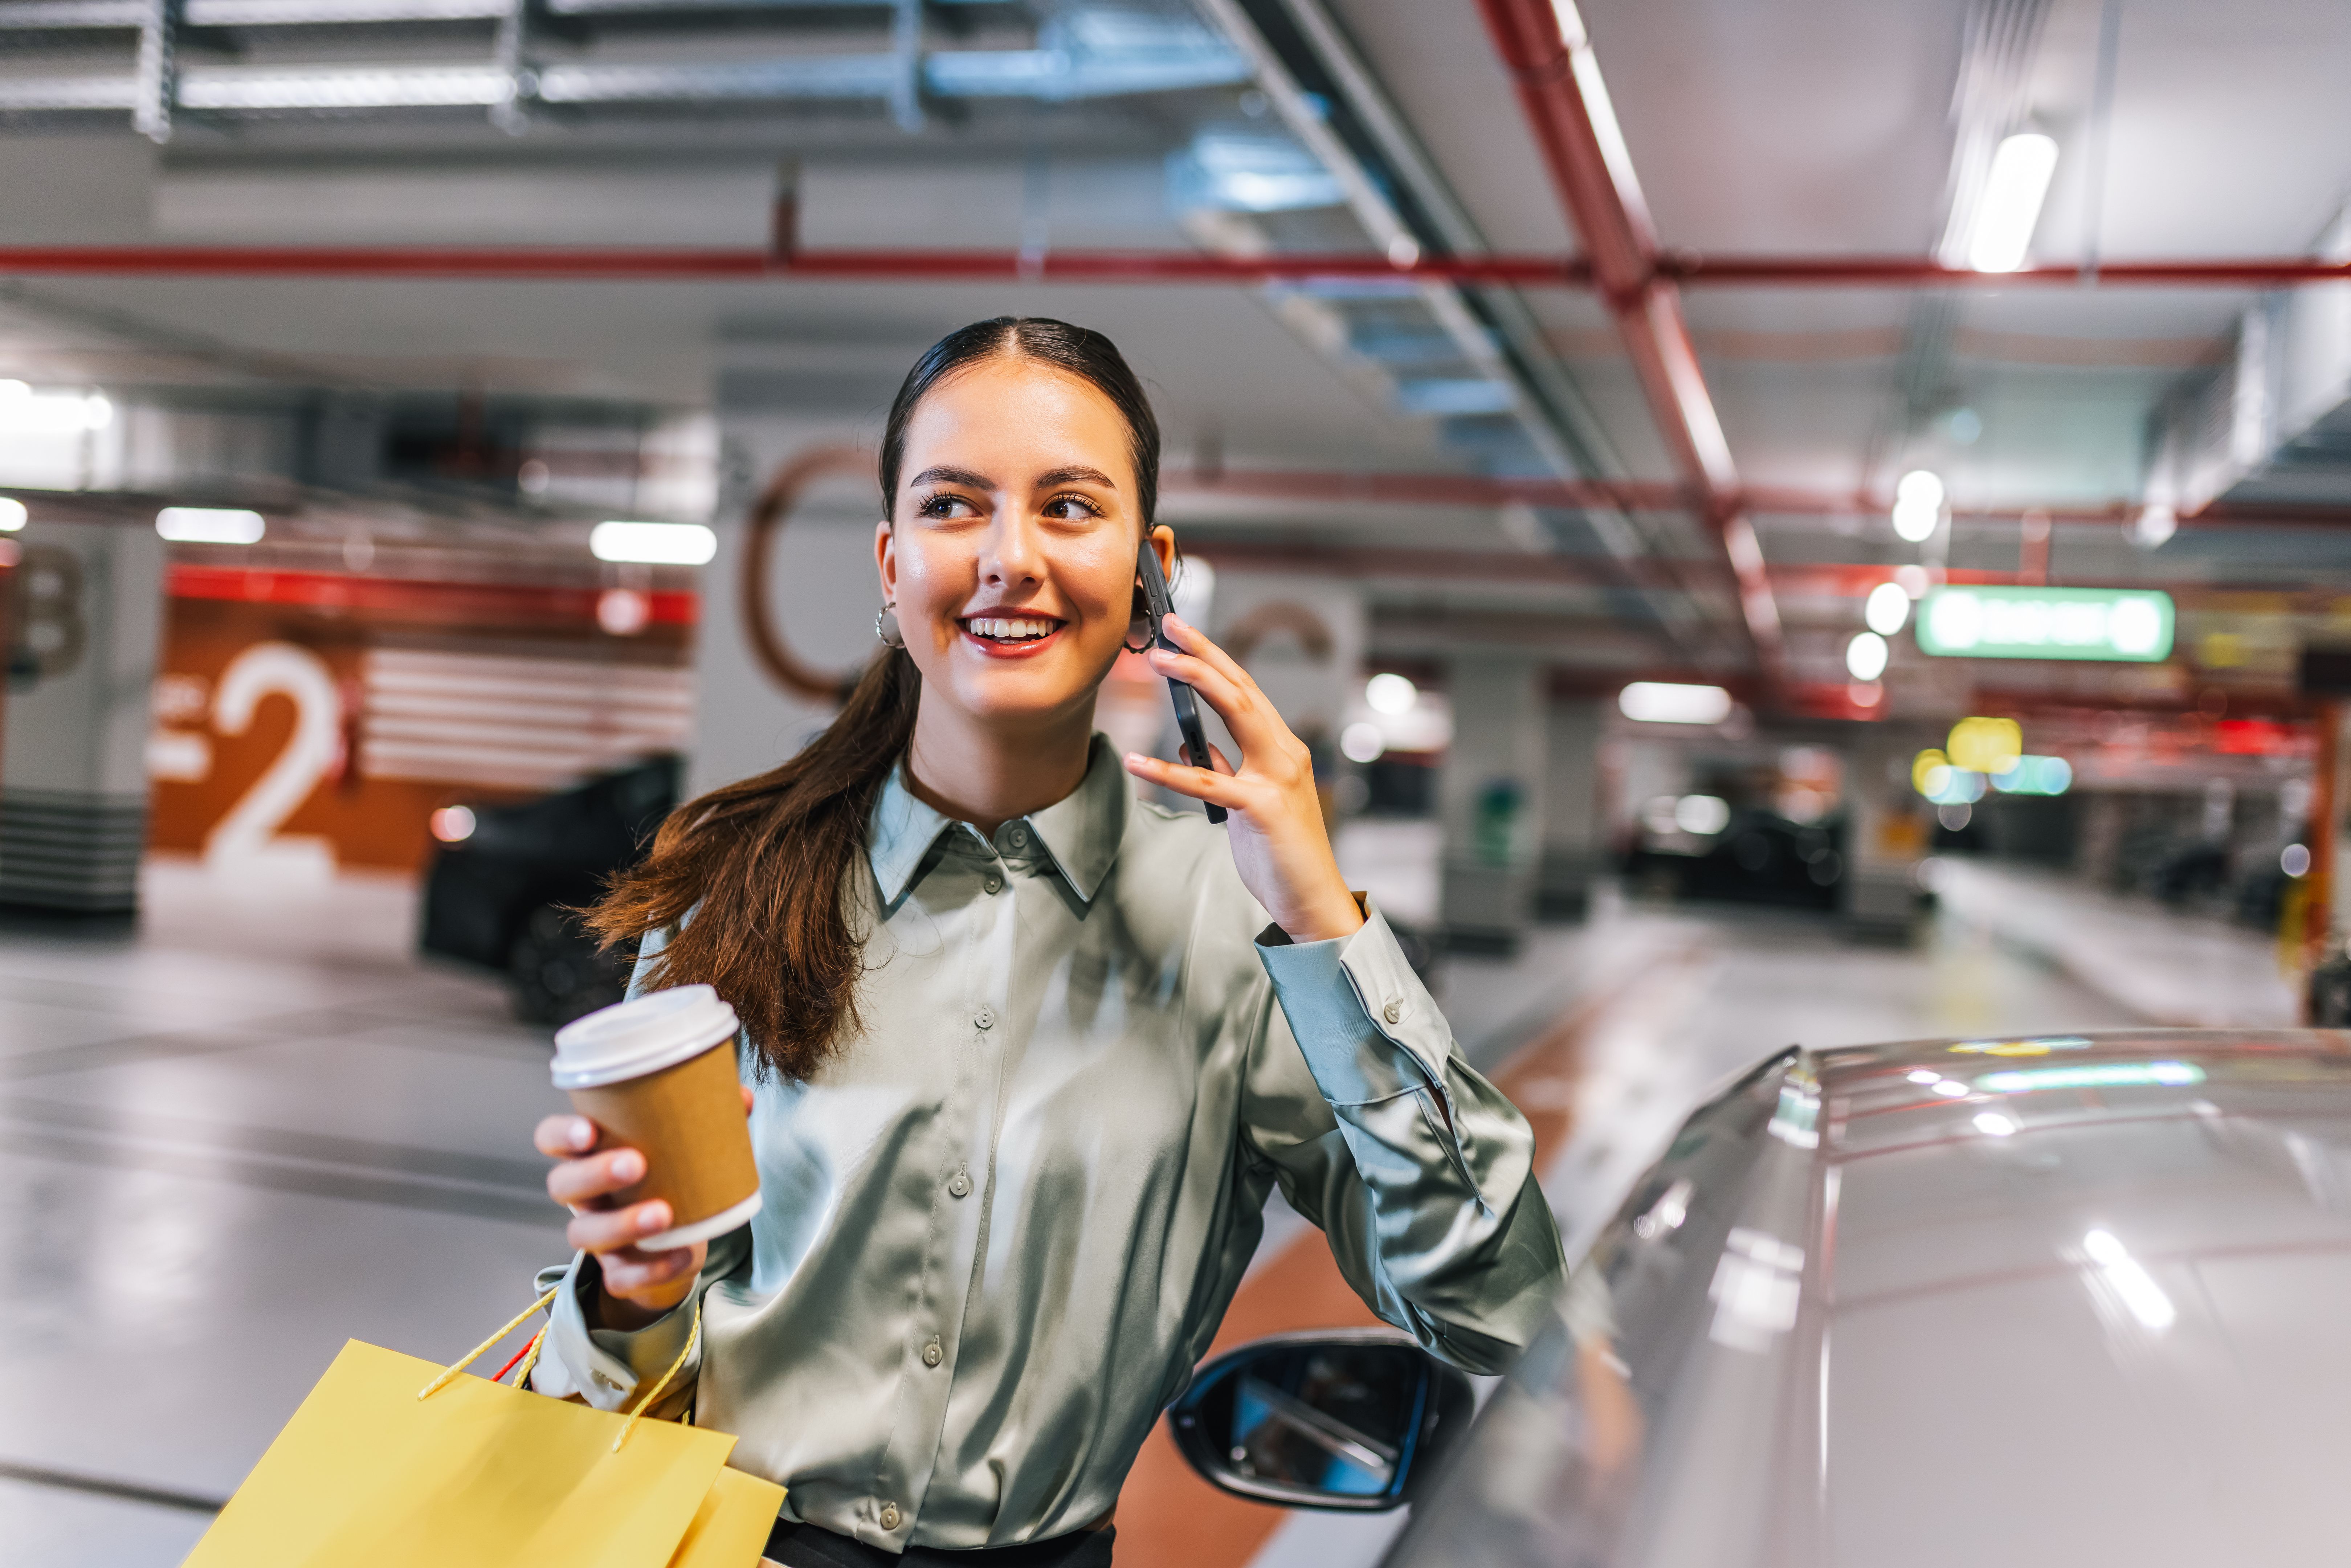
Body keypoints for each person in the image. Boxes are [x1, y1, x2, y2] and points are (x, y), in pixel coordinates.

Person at [531, 316, 1568, 1566]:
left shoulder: (1245, 935)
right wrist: (627, 1299)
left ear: (1150, 569)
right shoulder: (737, 895)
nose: (1010, 559)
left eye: (1070, 508)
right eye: (955, 507)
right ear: (891, 559)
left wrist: (1323, 921)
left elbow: (1496, 1305)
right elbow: (595, 1409)